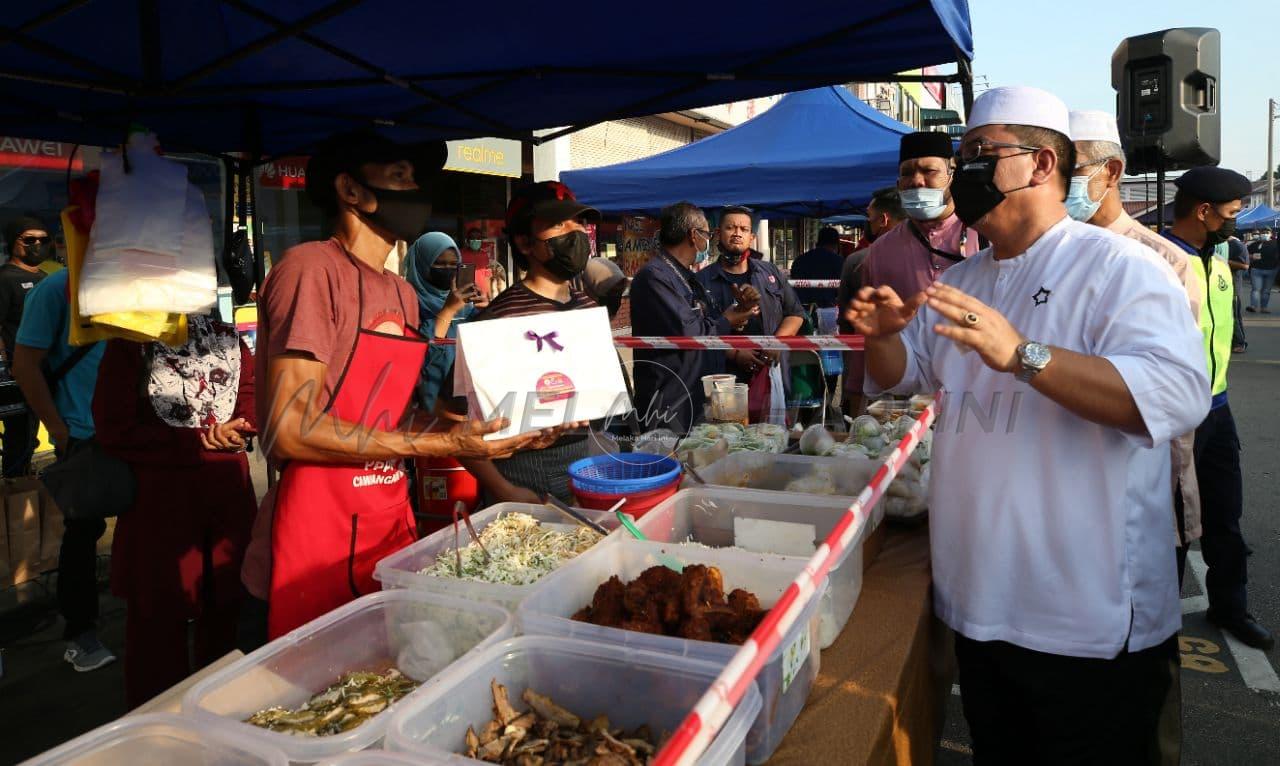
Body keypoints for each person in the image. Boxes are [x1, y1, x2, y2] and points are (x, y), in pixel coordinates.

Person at [849, 86, 1208, 762]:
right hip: (981, 600)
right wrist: (882, 335)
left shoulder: (1118, 268)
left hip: (1085, 618)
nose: (967, 173)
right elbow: (910, 379)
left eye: (983, 155)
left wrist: (1023, 355)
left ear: (1043, 164)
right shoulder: (972, 277)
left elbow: (1176, 393)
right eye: (965, 157)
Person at [259, 131, 554, 639]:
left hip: (390, 514)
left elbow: (391, 415)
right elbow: (288, 427)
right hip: (319, 525)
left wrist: (487, 437)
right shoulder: (310, 270)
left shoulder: (400, 291)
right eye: (398, 176)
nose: (414, 190)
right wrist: (436, 442)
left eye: (415, 179)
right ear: (350, 190)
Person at [1067, 109, 1203, 582]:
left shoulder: (1164, 259)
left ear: (1112, 172)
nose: (1062, 181)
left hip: (1139, 464)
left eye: (1074, 166)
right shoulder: (1047, 256)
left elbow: (1172, 385)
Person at [92, 314, 257, 706]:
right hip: (161, 507)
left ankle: (222, 716)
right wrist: (198, 440)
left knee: (225, 613)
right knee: (157, 623)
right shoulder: (131, 342)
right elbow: (114, 427)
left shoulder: (228, 336)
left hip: (227, 501)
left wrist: (242, 427)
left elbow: (252, 396)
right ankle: (157, 730)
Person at [1164, 166, 1275, 650]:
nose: (1235, 223)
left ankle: (1230, 608)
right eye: (1231, 215)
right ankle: (1156, 617)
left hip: (1219, 408)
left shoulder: (1221, 258)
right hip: (1172, 416)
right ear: (1203, 211)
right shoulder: (1158, 260)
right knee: (1170, 526)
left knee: (1225, 517)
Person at [440, 181, 600, 505]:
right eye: (559, 224)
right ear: (525, 242)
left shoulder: (588, 310)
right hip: (518, 475)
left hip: (586, 465)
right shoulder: (499, 321)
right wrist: (504, 490)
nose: (575, 233)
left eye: (578, 222)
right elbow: (449, 421)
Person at [10, 267, 112, 671]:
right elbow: (24, 366)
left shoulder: (133, 282)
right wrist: (58, 428)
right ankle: (80, 634)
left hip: (137, 429)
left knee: (149, 523)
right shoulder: (55, 291)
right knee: (83, 533)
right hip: (83, 432)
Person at [630, 202, 760, 434]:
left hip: (695, 396)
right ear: (694, 235)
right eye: (707, 234)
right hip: (669, 402)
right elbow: (691, 333)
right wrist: (727, 319)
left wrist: (739, 312)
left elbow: (708, 323)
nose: (708, 241)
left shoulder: (685, 277)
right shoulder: (655, 277)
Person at [697, 205, 804, 423]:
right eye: (730, 227)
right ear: (718, 233)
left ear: (752, 237)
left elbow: (795, 313)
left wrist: (776, 342)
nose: (737, 233)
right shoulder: (702, 281)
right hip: (724, 379)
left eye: (743, 229)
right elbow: (699, 332)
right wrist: (735, 353)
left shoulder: (770, 272)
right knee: (728, 437)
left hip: (771, 374)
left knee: (772, 438)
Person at [860, 131, 980, 302]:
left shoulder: (985, 237)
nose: (916, 181)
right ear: (898, 184)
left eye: (929, 171)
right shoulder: (879, 252)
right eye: (907, 173)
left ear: (952, 175)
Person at [403, 231, 488, 412]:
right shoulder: (407, 303)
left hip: (469, 407)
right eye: (439, 264)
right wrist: (448, 310)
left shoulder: (466, 307)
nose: (447, 269)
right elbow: (420, 357)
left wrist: (486, 311)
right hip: (430, 410)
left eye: (453, 264)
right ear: (422, 265)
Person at [838, 188, 904, 416]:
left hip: (868, 368)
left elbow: (846, 322)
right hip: (919, 373)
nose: (868, 223)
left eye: (870, 217)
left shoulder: (858, 261)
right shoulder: (934, 259)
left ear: (883, 219)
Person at [0, 215, 50, 477]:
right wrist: (8, 369)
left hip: (49, 371)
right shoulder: (5, 278)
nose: (37, 245)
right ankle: (15, 489)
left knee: (38, 433)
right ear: (13, 242)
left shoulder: (46, 277)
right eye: (29, 240)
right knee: (20, 435)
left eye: (43, 240)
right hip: (17, 373)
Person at [790, 226, 843, 308]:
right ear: (836, 244)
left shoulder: (800, 260)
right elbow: (843, 290)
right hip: (828, 310)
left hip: (801, 310)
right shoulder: (839, 261)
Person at [1245, 228, 1278, 313]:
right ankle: (1253, 306)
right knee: (1256, 289)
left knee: (1266, 290)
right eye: (1263, 232)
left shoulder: (1276, 244)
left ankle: (1264, 308)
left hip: (1271, 270)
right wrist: (1251, 256)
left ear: (1271, 234)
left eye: (1267, 232)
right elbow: (1245, 254)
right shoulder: (1255, 244)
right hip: (1256, 270)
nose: (1265, 234)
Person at [1227, 235, 1249, 351]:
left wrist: (1225, 261)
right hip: (1228, 284)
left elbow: (1245, 265)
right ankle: (1238, 341)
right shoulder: (1227, 244)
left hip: (1233, 285)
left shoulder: (1236, 245)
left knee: (1234, 315)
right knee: (1234, 315)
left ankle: (1239, 343)